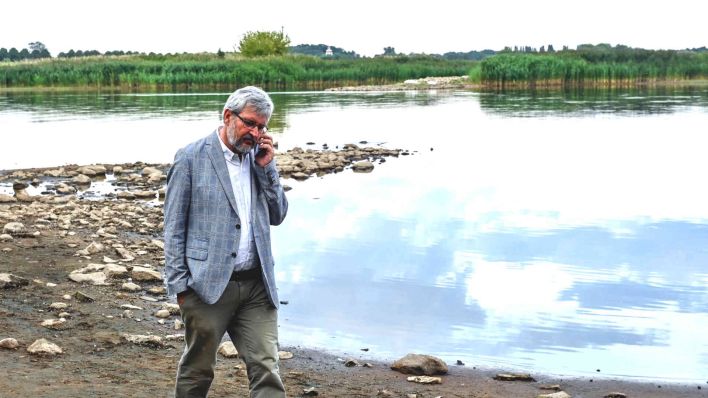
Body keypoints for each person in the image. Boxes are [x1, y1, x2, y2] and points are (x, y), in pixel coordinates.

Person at [163, 86, 288, 397]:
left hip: (257, 285)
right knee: (198, 371)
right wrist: (180, 287)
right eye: (250, 123)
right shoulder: (191, 158)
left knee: (266, 368)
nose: (256, 133)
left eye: (262, 126)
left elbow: (278, 214)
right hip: (206, 288)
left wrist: (268, 168)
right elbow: (174, 227)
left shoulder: (259, 159)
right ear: (228, 115)